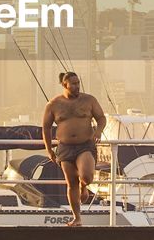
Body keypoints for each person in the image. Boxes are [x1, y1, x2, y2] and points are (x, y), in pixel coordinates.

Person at [41, 71, 106, 227]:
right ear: (65, 85)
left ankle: (84, 186)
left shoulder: (89, 100)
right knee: (71, 183)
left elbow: (101, 118)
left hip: (85, 145)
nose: (77, 86)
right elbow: (46, 128)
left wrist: (98, 131)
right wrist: (49, 149)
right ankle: (77, 218)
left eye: (78, 83)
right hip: (65, 147)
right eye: (74, 83)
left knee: (87, 176)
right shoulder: (53, 104)